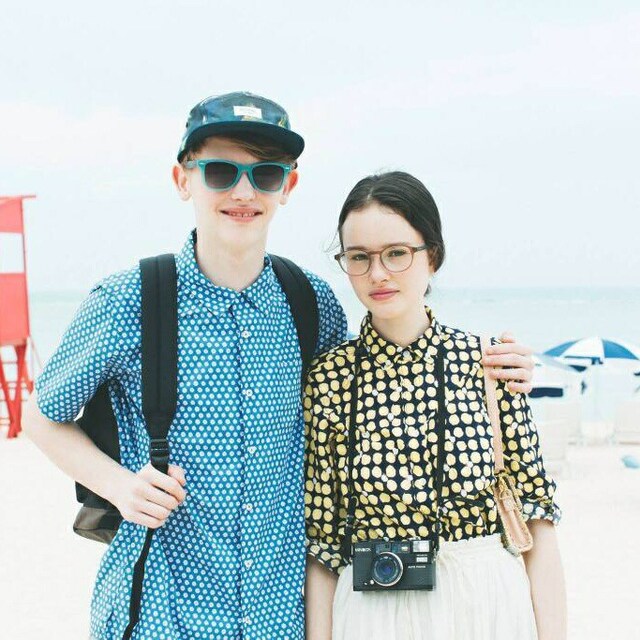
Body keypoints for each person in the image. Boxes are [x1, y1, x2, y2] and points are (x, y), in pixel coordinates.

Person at [23, 93, 536, 640]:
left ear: (287, 186)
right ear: (182, 180)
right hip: (160, 612)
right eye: (220, 171)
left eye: (265, 174)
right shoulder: (130, 300)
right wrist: (120, 486)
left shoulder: (311, 303)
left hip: (282, 615)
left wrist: (492, 367)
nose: (244, 192)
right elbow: (40, 415)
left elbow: (376, 378)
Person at [303, 171, 566, 640]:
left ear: (433, 256)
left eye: (397, 253)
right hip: (372, 613)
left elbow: (537, 519)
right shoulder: (329, 379)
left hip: (486, 606)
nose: (377, 273)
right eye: (359, 257)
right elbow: (323, 545)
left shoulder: (490, 364)